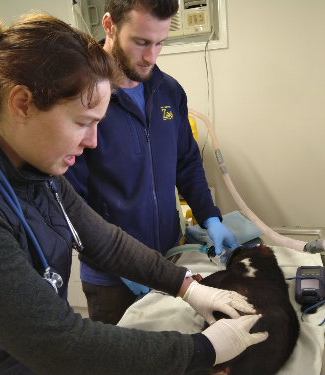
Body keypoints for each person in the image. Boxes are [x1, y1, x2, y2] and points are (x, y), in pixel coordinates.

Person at [0, 15, 268, 374]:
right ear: (21, 104)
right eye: (82, 123)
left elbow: (104, 241)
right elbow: (59, 343)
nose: (93, 141)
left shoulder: (34, 168)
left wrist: (188, 286)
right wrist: (202, 349)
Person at [64, 0, 240, 325]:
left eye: (160, 43)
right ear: (109, 26)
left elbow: (185, 162)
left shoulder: (168, 92)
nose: (151, 57)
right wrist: (122, 263)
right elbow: (69, 202)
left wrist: (210, 218)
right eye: (141, 42)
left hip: (168, 260)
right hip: (113, 279)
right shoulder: (82, 98)